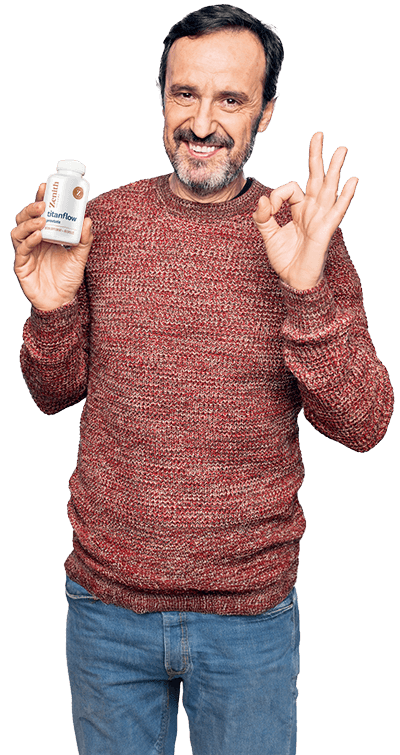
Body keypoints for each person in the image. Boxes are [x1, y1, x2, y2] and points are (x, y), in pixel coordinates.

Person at [11, 5, 394, 755]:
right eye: (185, 93)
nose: (203, 124)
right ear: (160, 95)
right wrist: (50, 312)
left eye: (231, 99)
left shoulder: (299, 233)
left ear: (267, 112)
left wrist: (306, 293)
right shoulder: (101, 222)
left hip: (250, 622)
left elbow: (365, 424)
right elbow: (50, 393)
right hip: (106, 611)